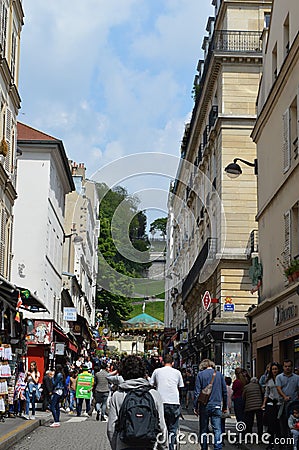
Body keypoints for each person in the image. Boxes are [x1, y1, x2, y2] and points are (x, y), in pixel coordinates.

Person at [107, 354, 167, 450]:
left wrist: (115, 447)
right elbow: (162, 426)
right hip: (148, 445)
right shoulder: (154, 394)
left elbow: (111, 428)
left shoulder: (118, 395)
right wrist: (164, 447)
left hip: (124, 445)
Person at [150, 354, 184, 450]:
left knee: (160, 426)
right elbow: (181, 386)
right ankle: (171, 446)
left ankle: (161, 445)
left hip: (160, 401)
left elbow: (151, 384)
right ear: (172, 363)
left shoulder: (157, 371)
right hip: (174, 402)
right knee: (173, 428)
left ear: (162, 362)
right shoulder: (177, 372)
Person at [194, 359, 228, 450]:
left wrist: (195, 406)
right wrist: (224, 406)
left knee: (203, 429)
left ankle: (204, 447)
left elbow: (197, 393)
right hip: (216, 405)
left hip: (204, 405)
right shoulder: (219, 375)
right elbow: (225, 392)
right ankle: (218, 447)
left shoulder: (200, 375)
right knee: (217, 429)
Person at [276, 359, 299, 441]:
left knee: (294, 421)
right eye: (286, 366)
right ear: (283, 367)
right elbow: (278, 388)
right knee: (283, 422)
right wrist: (284, 396)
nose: (287, 368)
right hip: (283, 403)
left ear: (292, 367)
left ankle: (293, 439)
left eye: (289, 366)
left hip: (294, 404)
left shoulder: (297, 378)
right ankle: (284, 439)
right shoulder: (279, 377)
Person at [261, 362, 281, 450]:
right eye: (273, 369)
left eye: (276, 369)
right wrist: (264, 404)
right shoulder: (269, 380)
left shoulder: (281, 379)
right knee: (271, 424)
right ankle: (271, 443)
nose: (274, 371)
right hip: (271, 403)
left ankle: (281, 442)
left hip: (280, 403)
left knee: (279, 424)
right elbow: (267, 393)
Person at [242, 376, 263, 441]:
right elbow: (262, 393)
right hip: (259, 406)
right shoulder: (259, 386)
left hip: (249, 406)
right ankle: (260, 436)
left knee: (249, 422)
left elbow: (243, 396)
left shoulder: (246, 387)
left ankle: (249, 436)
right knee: (259, 422)